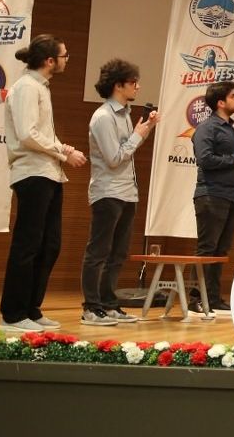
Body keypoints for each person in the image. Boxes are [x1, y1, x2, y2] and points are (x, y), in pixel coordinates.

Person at [0, 34, 88, 333]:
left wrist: (64, 151)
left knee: (49, 245)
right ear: (50, 61)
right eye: (64, 56)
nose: (66, 60)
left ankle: (31, 309)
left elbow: (42, 133)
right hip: (32, 173)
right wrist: (63, 152)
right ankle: (13, 314)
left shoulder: (40, 87)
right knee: (28, 244)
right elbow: (27, 134)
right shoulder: (26, 87)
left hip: (48, 173)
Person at [81, 59, 161, 326]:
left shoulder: (124, 114)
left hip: (127, 191)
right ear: (118, 85)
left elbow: (128, 149)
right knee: (98, 252)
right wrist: (138, 135)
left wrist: (146, 128)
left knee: (118, 253)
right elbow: (115, 158)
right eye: (133, 82)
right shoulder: (103, 117)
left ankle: (108, 303)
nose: (137, 87)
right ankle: (91, 308)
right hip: (108, 192)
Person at [190, 81, 234, 313]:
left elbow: (231, 159)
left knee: (221, 250)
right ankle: (196, 298)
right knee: (207, 248)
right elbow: (204, 159)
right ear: (221, 103)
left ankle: (213, 298)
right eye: (232, 96)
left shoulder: (231, 130)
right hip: (211, 195)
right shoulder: (207, 128)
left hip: (231, 196)